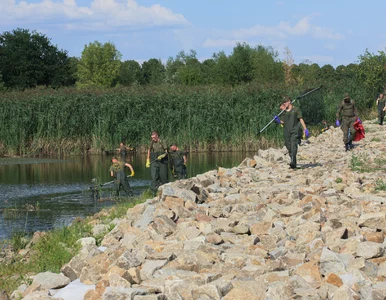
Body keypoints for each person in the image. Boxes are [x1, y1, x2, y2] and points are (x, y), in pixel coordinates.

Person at [274, 96, 309, 169]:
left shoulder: (296, 110)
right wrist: (277, 120)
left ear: (289, 101)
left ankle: (293, 162)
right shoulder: (284, 112)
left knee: (293, 145)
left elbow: (301, 119)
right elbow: (282, 122)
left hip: (295, 130)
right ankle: (292, 159)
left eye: (285, 102)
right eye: (283, 103)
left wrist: (305, 129)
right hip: (286, 131)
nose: (284, 104)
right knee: (288, 145)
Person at [146, 131, 168, 195]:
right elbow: (149, 150)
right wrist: (147, 160)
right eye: (152, 138)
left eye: (154, 137)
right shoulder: (152, 142)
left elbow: (166, 152)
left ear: (157, 136)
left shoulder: (162, 142)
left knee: (163, 177)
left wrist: (163, 155)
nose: (153, 139)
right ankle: (154, 192)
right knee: (154, 177)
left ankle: (164, 192)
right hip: (154, 161)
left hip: (162, 161)